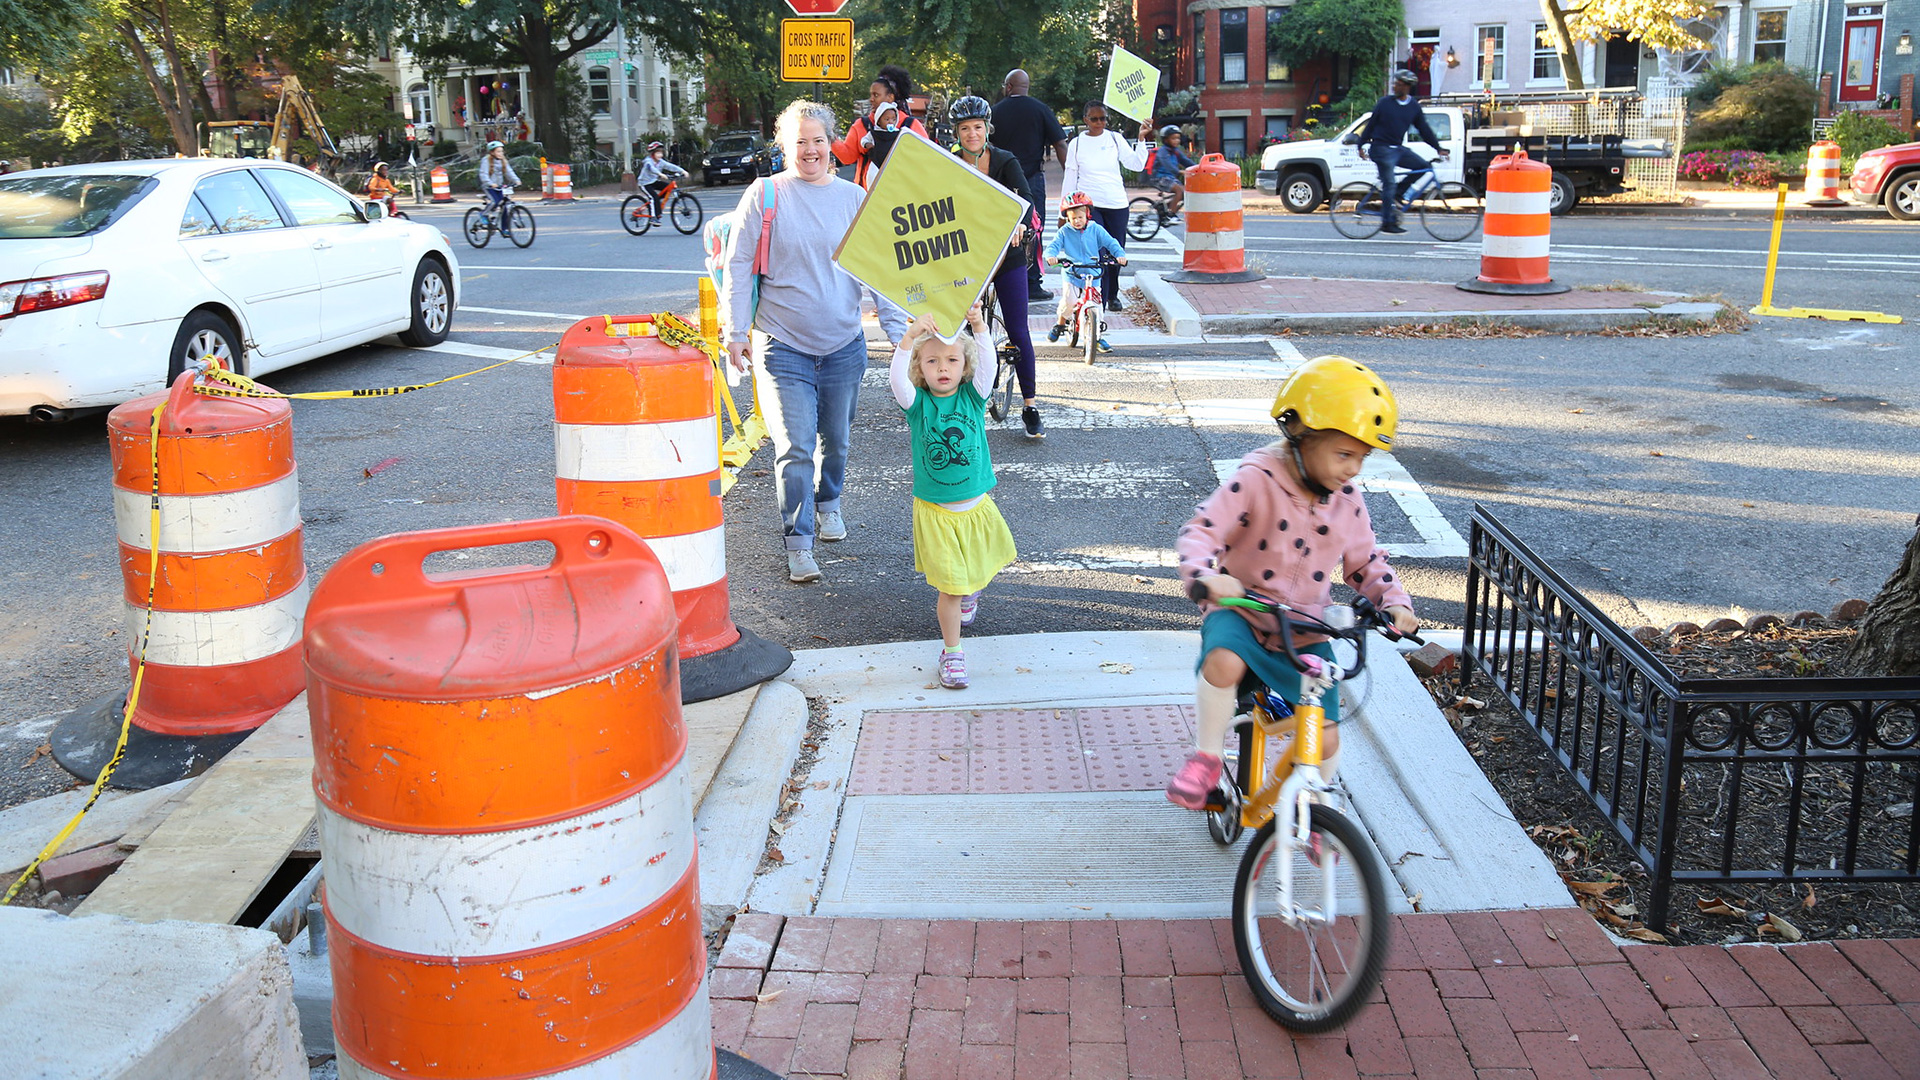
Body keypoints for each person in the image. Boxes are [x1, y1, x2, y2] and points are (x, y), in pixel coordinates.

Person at [1163, 355, 1421, 810]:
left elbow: (1365, 560)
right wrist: (1204, 576)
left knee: (1324, 739)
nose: (1354, 468)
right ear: (1301, 436)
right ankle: (1205, 758)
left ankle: (1313, 811)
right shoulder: (1257, 478)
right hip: (1243, 611)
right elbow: (1202, 530)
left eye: (1362, 457)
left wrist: (1394, 601)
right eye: (1344, 454)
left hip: (1304, 628)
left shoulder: (1348, 502)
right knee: (1222, 660)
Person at [724, 100, 909, 584]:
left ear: (833, 145)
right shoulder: (765, 195)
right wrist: (735, 332)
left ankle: (830, 502)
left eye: (818, 140)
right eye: (799, 141)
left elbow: (879, 274)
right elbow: (738, 266)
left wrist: (901, 341)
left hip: (844, 345)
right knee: (795, 446)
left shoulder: (853, 199)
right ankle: (799, 542)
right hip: (782, 345)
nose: (810, 149)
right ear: (784, 146)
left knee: (838, 440)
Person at [889, 309, 1017, 690]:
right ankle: (952, 653)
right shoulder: (918, 406)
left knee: (974, 574)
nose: (942, 368)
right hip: (935, 513)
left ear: (964, 366)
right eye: (932, 361)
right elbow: (896, 379)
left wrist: (979, 327)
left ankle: (970, 593)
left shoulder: (973, 399)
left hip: (975, 508)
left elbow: (989, 367)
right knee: (952, 587)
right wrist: (907, 339)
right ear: (920, 368)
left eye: (951, 360)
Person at [947, 95, 1046, 439]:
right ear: (956, 132)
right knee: (954, 328)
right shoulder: (949, 162)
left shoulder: (1004, 160)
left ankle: (1031, 406)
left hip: (1007, 252)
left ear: (987, 128)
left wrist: (1019, 222)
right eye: (964, 129)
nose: (972, 134)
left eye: (977, 127)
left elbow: (1025, 200)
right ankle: (953, 403)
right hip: (965, 254)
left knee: (1018, 329)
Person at [1060, 101, 1147, 312]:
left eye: (1103, 118)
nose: (1100, 123)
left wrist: (1142, 138)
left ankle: (1113, 293)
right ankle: (1098, 299)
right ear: (1086, 120)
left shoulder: (1115, 138)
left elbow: (1135, 164)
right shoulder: (1077, 144)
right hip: (1090, 204)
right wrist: (1064, 210)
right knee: (1095, 251)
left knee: (1115, 250)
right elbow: (1070, 175)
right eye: (1095, 118)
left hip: (1116, 202)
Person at [991, 70, 1069, 300]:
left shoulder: (995, 112)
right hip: (1032, 179)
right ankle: (1032, 283)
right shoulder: (1041, 109)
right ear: (1027, 86)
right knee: (1034, 229)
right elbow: (1060, 144)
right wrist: (1071, 177)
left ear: (1008, 87)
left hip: (1001, 180)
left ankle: (999, 278)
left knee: (1001, 229)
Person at [1356, 70, 1448, 235]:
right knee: (1389, 183)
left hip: (1397, 149)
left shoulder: (1413, 107)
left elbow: (1424, 129)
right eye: (1395, 83)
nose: (1394, 86)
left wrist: (1438, 147)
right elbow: (1370, 125)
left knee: (1423, 166)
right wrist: (1360, 144)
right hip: (1381, 148)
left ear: (1407, 87)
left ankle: (1398, 193)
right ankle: (1387, 222)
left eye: (1398, 84)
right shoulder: (1384, 103)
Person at [1043, 191, 1127, 353]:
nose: (1077, 221)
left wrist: (1120, 255)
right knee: (1070, 300)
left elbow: (1111, 243)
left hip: (1093, 272)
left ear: (1088, 214)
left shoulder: (1096, 229)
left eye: (1080, 217)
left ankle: (1098, 336)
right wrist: (1051, 256)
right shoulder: (1065, 231)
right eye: (1073, 218)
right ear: (1067, 218)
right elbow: (1053, 246)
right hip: (1072, 272)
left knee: (1096, 303)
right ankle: (1060, 324)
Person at [833, 66, 926, 188]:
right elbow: (847, 157)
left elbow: (924, 159)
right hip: (865, 197)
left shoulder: (910, 125)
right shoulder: (862, 125)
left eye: (876, 95)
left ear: (890, 97)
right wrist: (830, 137)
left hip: (901, 197)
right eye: (871, 95)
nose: (871, 99)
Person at [1149, 126, 1197, 216]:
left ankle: (1163, 207)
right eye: (1173, 138)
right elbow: (1167, 164)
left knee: (1186, 193)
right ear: (1166, 140)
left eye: (1178, 138)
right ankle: (1171, 215)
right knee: (1179, 191)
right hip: (1159, 178)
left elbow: (1186, 161)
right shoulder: (1162, 151)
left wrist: (1199, 168)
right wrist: (1179, 171)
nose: (1176, 141)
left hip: (1170, 178)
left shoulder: (1175, 151)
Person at [636, 141, 687, 215]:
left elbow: (670, 166)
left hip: (654, 181)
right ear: (653, 154)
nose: (660, 155)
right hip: (644, 183)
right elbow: (651, 168)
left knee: (667, 188)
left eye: (661, 153)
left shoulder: (660, 162)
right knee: (654, 198)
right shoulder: (648, 161)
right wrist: (660, 174)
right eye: (658, 153)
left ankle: (654, 204)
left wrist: (683, 171)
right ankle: (654, 218)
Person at [478, 140, 519, 214]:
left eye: (502, 151)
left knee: (504, 205)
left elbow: (509, 171)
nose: (501, 154)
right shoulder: (486, 161)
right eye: (498, 152)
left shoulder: (503, 160)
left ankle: (505, 225)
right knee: (495, 202)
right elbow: (483, 174)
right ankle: (483, 214)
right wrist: (490, 183)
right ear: (492, 152)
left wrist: (516, 180)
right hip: (489, 187)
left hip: (499, 186)